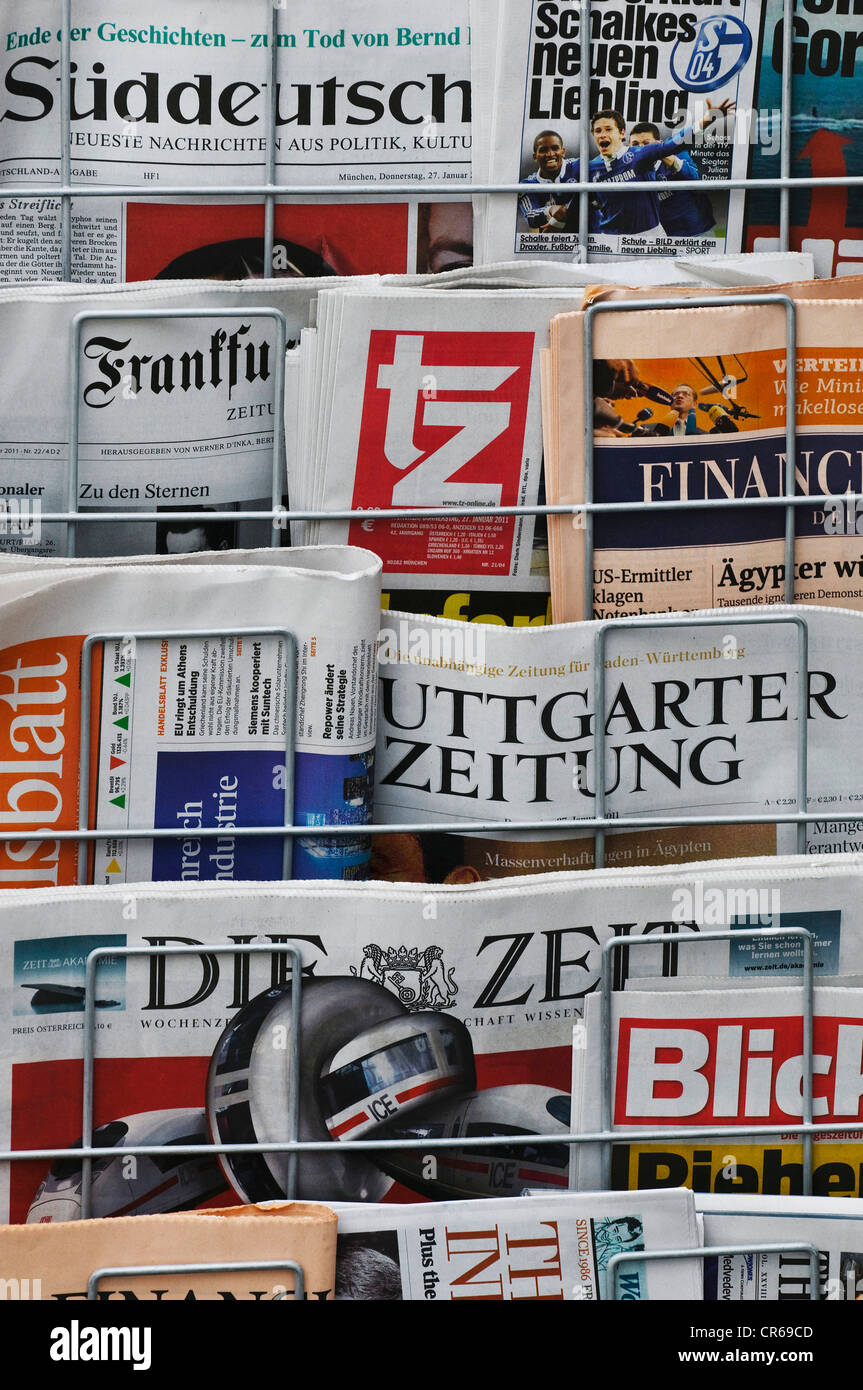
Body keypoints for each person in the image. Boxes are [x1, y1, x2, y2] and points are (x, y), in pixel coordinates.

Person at [566, 100, 735, 238]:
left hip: (660, 235)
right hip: (612, 239)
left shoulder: (639, 155)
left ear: (621, 133)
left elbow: (673, 143)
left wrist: (705, 121)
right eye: (597, 131)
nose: (602, 134)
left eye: (608, 129)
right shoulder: (588, 167)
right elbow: (578, 204)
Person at [628, 122, 717, 238]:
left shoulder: (678, 154)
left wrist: (670, 159)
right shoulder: (628, 170)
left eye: (646, 143)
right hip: (665, 238)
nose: (641, 149)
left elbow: (697, 182)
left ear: (659, 144)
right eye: (635, 145)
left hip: (698, 231)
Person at [519, 130, 583, 231]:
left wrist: (558, 219)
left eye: (555, 148)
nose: (550, 154)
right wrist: (550, 210)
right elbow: (530, 215)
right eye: (543, 150)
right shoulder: (528, 184)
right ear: (535, 157)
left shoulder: (580, 166)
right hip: (554, 241)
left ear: (563, 152)